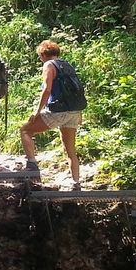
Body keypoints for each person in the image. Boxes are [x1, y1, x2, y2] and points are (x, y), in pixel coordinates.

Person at [20, 40, 83, 188]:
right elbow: (77, 90)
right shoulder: (67, 65)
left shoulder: (49, 65)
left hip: (58, 110)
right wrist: (79, 113)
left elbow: (47, 90)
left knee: (25, 130)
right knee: (70, 149)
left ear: (43, 54)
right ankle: (76, 182)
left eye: (40, 56)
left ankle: (32, 166)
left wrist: (37, 111)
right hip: (74, 111)